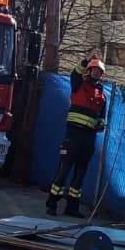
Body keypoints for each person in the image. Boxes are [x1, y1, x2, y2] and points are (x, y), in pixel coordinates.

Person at [46, 54, 107, 218]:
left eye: (99, 71)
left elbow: (102, 114)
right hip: (73, 134)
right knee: (64, 169)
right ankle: (52, 204)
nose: (97, 73)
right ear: (89, 71)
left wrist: (101, 123)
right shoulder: (78, 84)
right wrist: (87, 59)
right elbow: (75, 72)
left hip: (89, 136)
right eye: (94, 70)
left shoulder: (102, 94)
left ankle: (72, 208)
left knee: (81, 172)